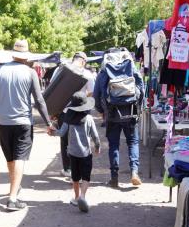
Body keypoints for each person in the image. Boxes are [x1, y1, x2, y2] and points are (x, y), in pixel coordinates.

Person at [0, 39, 52, 211]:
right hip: (23, 122)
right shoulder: (30, 73)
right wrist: (48, 122)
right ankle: (12, 199)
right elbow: (39, 100)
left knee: (10, 158)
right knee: (20, 157)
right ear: (26, 55)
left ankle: (13, 188)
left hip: (3, 122)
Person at [93, 50, 144, 188]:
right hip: (131, 110)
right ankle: (134, 172)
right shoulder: (131, 66)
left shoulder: (104, 70)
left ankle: (114, 178)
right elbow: (141, 86)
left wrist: (101, 110)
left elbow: (96, 94)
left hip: (112, 112)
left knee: (114, 145)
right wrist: (139, 106)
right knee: (132, 142)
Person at [49, 91, 100, 213]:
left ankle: (76, 198)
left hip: (72, 153)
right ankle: (83, 196)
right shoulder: (88, 118)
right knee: (86, 176)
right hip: (85, 153)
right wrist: (97, 147)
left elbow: (61, 133)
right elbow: (95, 136)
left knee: (75, 177)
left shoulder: (68, 119)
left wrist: (52, 132)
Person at [49, 52, 95, 178]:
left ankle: (67, 169)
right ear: (84, 62)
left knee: (64, 140)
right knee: (81, 139)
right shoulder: (88, 74)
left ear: (73, 59)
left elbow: (52, 89)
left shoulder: (61, 70)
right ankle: (79, 169)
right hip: (81, 112)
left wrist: (52, 112)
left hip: (63, 111)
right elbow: (90, 93)